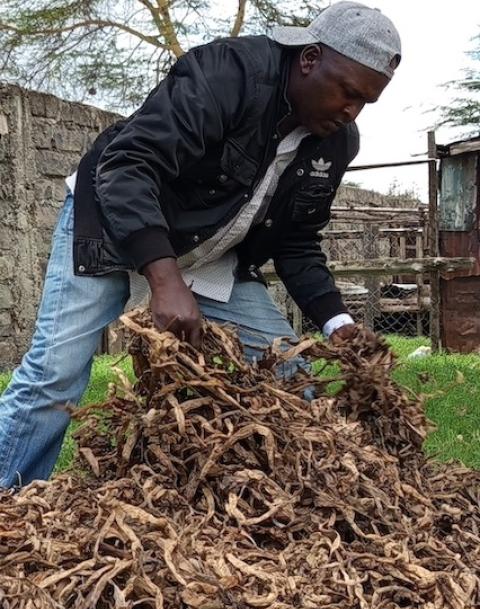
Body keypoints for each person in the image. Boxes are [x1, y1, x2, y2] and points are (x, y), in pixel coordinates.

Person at [0, 1, 401, 489]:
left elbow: (297, 241)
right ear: (310, 58)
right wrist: (165, 281)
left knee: (292, 374)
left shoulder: (335, 143)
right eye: (347, 92)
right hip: (111, 222)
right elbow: (128, 166)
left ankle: (299, 500)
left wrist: (339, 325)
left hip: (209, 251)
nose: (351, 111)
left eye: (365, 103)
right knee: (54, 375)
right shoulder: (228, 73)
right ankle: (9, 506)